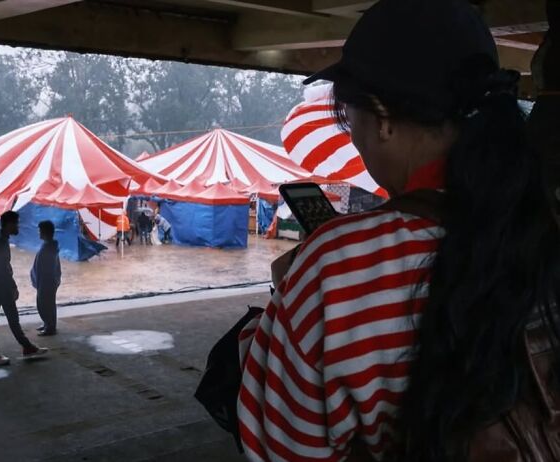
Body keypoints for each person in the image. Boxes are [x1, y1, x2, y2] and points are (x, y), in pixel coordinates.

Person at [237, 1, 560, 461]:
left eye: (350, 118)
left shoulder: (336, 268)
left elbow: (279, 447)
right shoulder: (543, 228)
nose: (355, 137)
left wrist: (287, 302)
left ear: (383, 117)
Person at [0, 211, 47, 365]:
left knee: (10, 319)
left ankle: (26, 347)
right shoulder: (1, 242)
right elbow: (2, 268)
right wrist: (13, 286)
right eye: (16, 223)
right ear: (9, 224)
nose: (18, 226)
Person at [31, 220, 61, 336]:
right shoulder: (50, 246)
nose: (39, 233)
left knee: (44, 304)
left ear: (45, 232)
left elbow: (45, 268)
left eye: (40, 231)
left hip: (46, 282)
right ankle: (48, 324)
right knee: (49, 304)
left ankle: (50, 327)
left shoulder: (48, 248)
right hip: (49, 281)